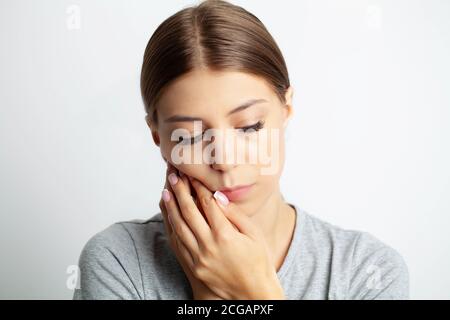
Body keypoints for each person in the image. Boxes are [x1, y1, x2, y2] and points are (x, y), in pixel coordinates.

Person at [73, 0, 409, 300]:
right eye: (189, 136)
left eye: (249, 126)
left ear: (286, 108)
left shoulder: (369, 271)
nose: (226, 159)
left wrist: (256, 292)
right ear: (157, 136)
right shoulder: (116, 261)